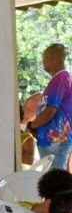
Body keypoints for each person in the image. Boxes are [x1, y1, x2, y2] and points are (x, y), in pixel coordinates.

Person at [26, 44, 72, 172]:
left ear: (52, 57)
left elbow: (50, 112)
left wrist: (32, 125)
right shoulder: (56, 80)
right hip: (50, 141)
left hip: (57, 141)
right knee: (52, 182)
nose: (43, 62)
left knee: (56, 183)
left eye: (44, 58)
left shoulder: (61, 79)